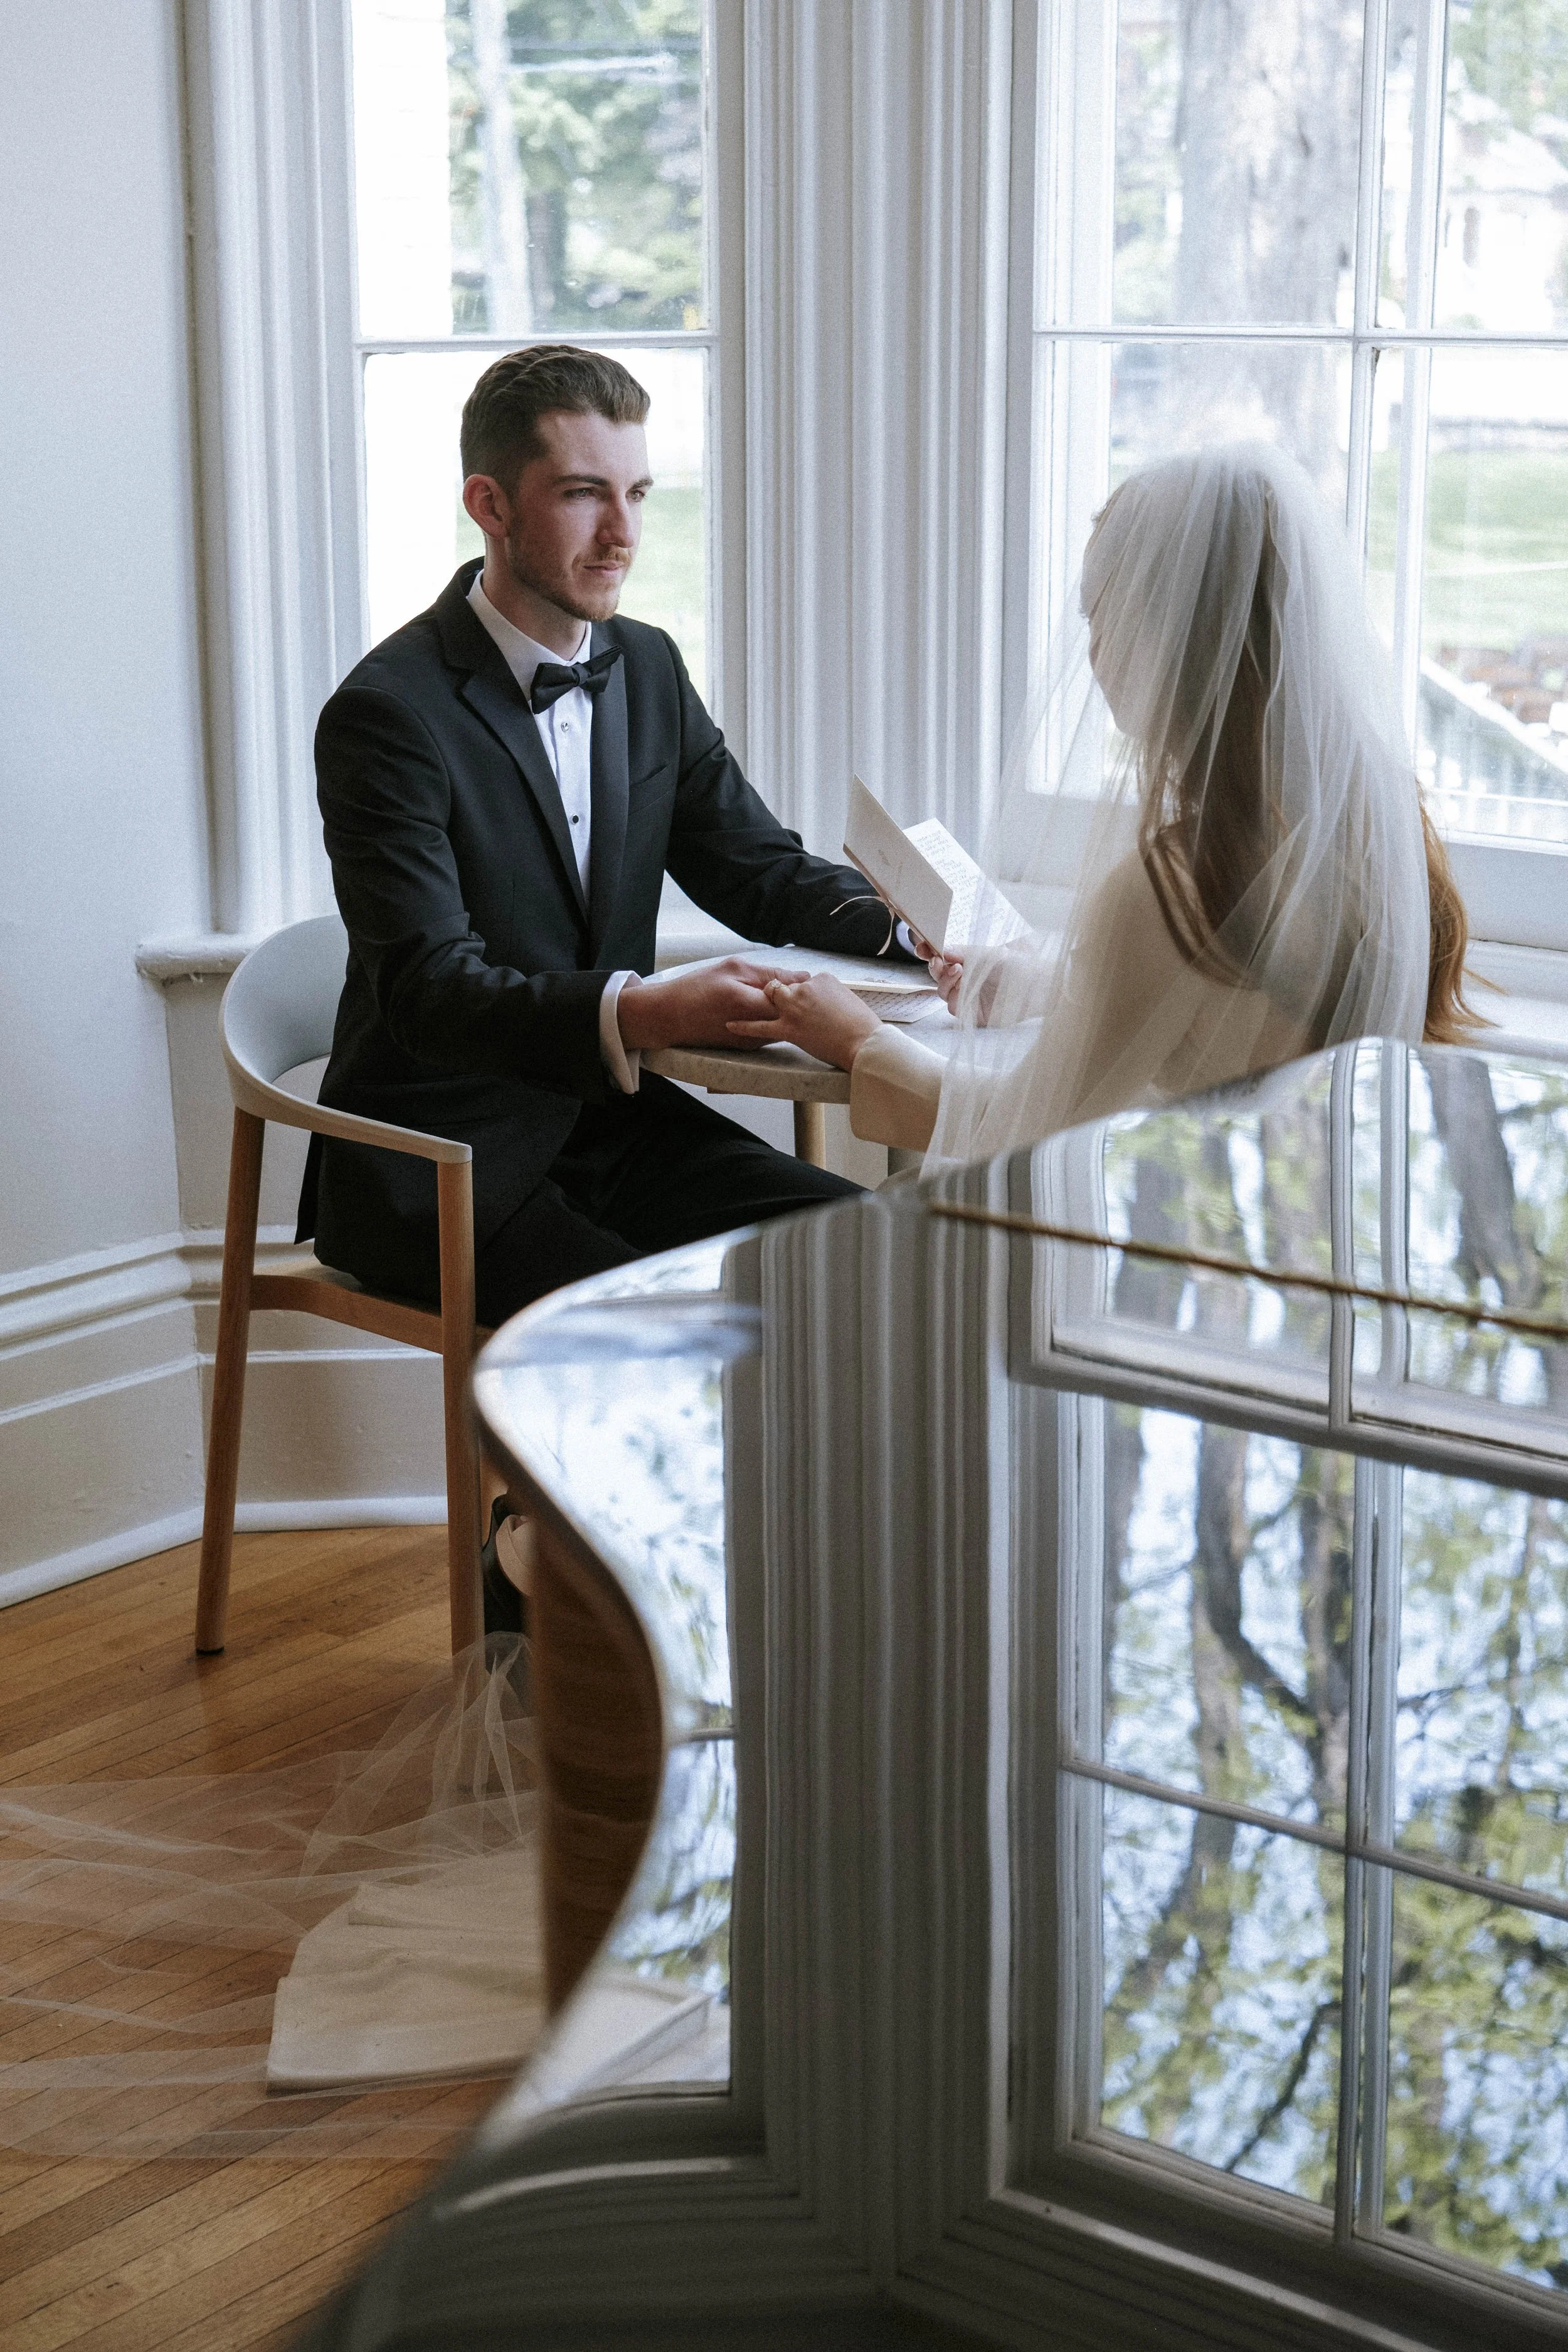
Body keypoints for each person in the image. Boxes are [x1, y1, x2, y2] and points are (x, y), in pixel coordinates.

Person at [298, 345, 917, 1319]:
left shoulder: (648, 665)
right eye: (585, 494)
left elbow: (754, 867)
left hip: (611, 1125)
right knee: (687, 1329)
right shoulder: (386, 713)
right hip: (441, 1161)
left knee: (878, 1252)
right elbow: (428, 993)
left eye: (638, 494)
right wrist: (646, 1012)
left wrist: (913, 928)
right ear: (489, 504)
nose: (622, 534)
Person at [730, 442, 1477, 1163]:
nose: (1090, 657)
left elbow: (1016, 1128)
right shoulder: (1367, 827)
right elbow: (1223, 1004)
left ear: (1171, 638)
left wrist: (858, 1040)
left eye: (1098, 618)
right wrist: (1044, 985)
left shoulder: (1173, 886)